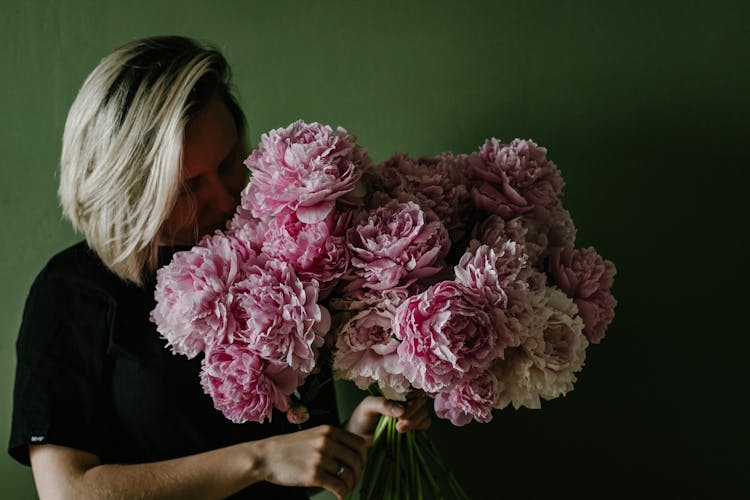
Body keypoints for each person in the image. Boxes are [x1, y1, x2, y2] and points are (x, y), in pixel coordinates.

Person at [8, 35, 431, 500]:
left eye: (230, 163)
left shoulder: (283, 266)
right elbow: (67, 492)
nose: (226, 197)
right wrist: (261, 459)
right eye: (189, 186)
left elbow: (291, 468)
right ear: (127, 190)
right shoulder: (72, 290)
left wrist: (353, 436)